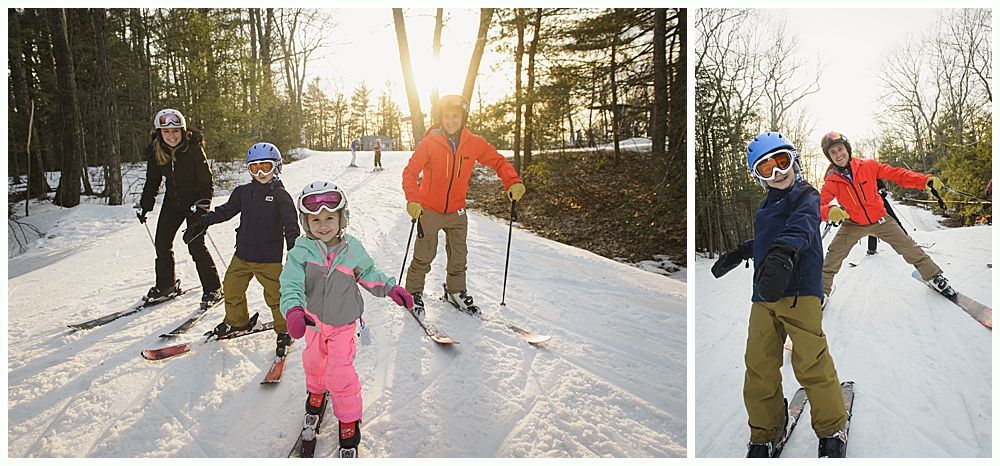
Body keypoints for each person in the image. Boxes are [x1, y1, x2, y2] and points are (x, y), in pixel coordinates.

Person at [712, 131, 848, 458]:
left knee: (811, 362)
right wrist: (742, 250)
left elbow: (800, 228)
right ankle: (766, 430)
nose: (777, 173)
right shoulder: (765, 206)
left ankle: (831, 426)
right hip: (764, 296)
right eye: (766, 168)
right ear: (758, 176)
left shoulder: (806, 195)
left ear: (794, 160)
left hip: (800, 292)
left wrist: (784, 252)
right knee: (758, 363)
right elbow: (766, 240)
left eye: (782, 162)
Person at [280, 180, 414, 458]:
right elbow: (290, 284)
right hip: (313, 322)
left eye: (330, 217)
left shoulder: (352, 249)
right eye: (315, 219)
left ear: (343, 217)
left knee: (340, 373)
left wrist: (390, 288)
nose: (323, 224)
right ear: (306, 222)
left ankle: (349, 417)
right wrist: (293, 309)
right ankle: (316, 393)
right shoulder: (300, 251)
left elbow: (368, 273)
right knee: (313, 363)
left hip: (343, 325)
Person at [402, 94, 525, 316]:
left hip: (457, 210)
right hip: (429, 208)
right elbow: (410, 172)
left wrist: (512, 181)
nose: (451, 120)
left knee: (459, 254)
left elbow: (497, 160)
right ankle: (413, 292)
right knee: (424, 254)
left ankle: (455, 291)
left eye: (456, 116)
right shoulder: (430, 143)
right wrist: (413, 199)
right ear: (441, 117)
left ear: (463, 117)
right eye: (447, 116)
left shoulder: (474, 143)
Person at [183, 142, 299, 355]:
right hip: (243, 255)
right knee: (232, 288)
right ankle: (237, 322)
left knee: (276, 295)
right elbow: (226, 210)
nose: (261, 172)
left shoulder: (281, 196)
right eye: (255, 168)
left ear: (277, 167)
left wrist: (294, 248)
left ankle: (285, 329)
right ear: (249, 170)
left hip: (269, 259)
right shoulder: (243, 192)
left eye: (267, 166)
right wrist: (203, 221)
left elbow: (291, 225)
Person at [818, 131, 955, 297]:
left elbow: (897, 174)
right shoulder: (831, 181)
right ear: (829, 157)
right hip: (853, 224)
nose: (838, 154)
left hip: (880, 220)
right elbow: (818, 205)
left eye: (840, 149)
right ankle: (821, 293)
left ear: (847, 149)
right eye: (833, 152)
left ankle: (934, 276)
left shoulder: (868, 166)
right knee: (833, 256)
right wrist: (829, 211)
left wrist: (923, 180)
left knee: (909, 247)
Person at [138, 108, 222, 308]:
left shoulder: (193, 148)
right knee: (162, 243)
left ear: (183, 131)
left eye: (176, 131)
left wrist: (202, 210)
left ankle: (213, 288)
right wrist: (145, 205)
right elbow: (152, 181)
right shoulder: (156, 151)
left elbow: (206, 182)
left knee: (195, 244)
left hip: (194, 202)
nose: (172, 136)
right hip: (173, 202)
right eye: (166, 132)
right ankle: (166, 286)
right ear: (160, 133)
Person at [865, 179, 906, 255]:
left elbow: (883, 190)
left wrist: (881, 192)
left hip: (881, 202)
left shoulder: (874, 176)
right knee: (873, 225)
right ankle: (871, 249)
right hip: (872, 204)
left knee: (894, 219)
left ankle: (907, 241)